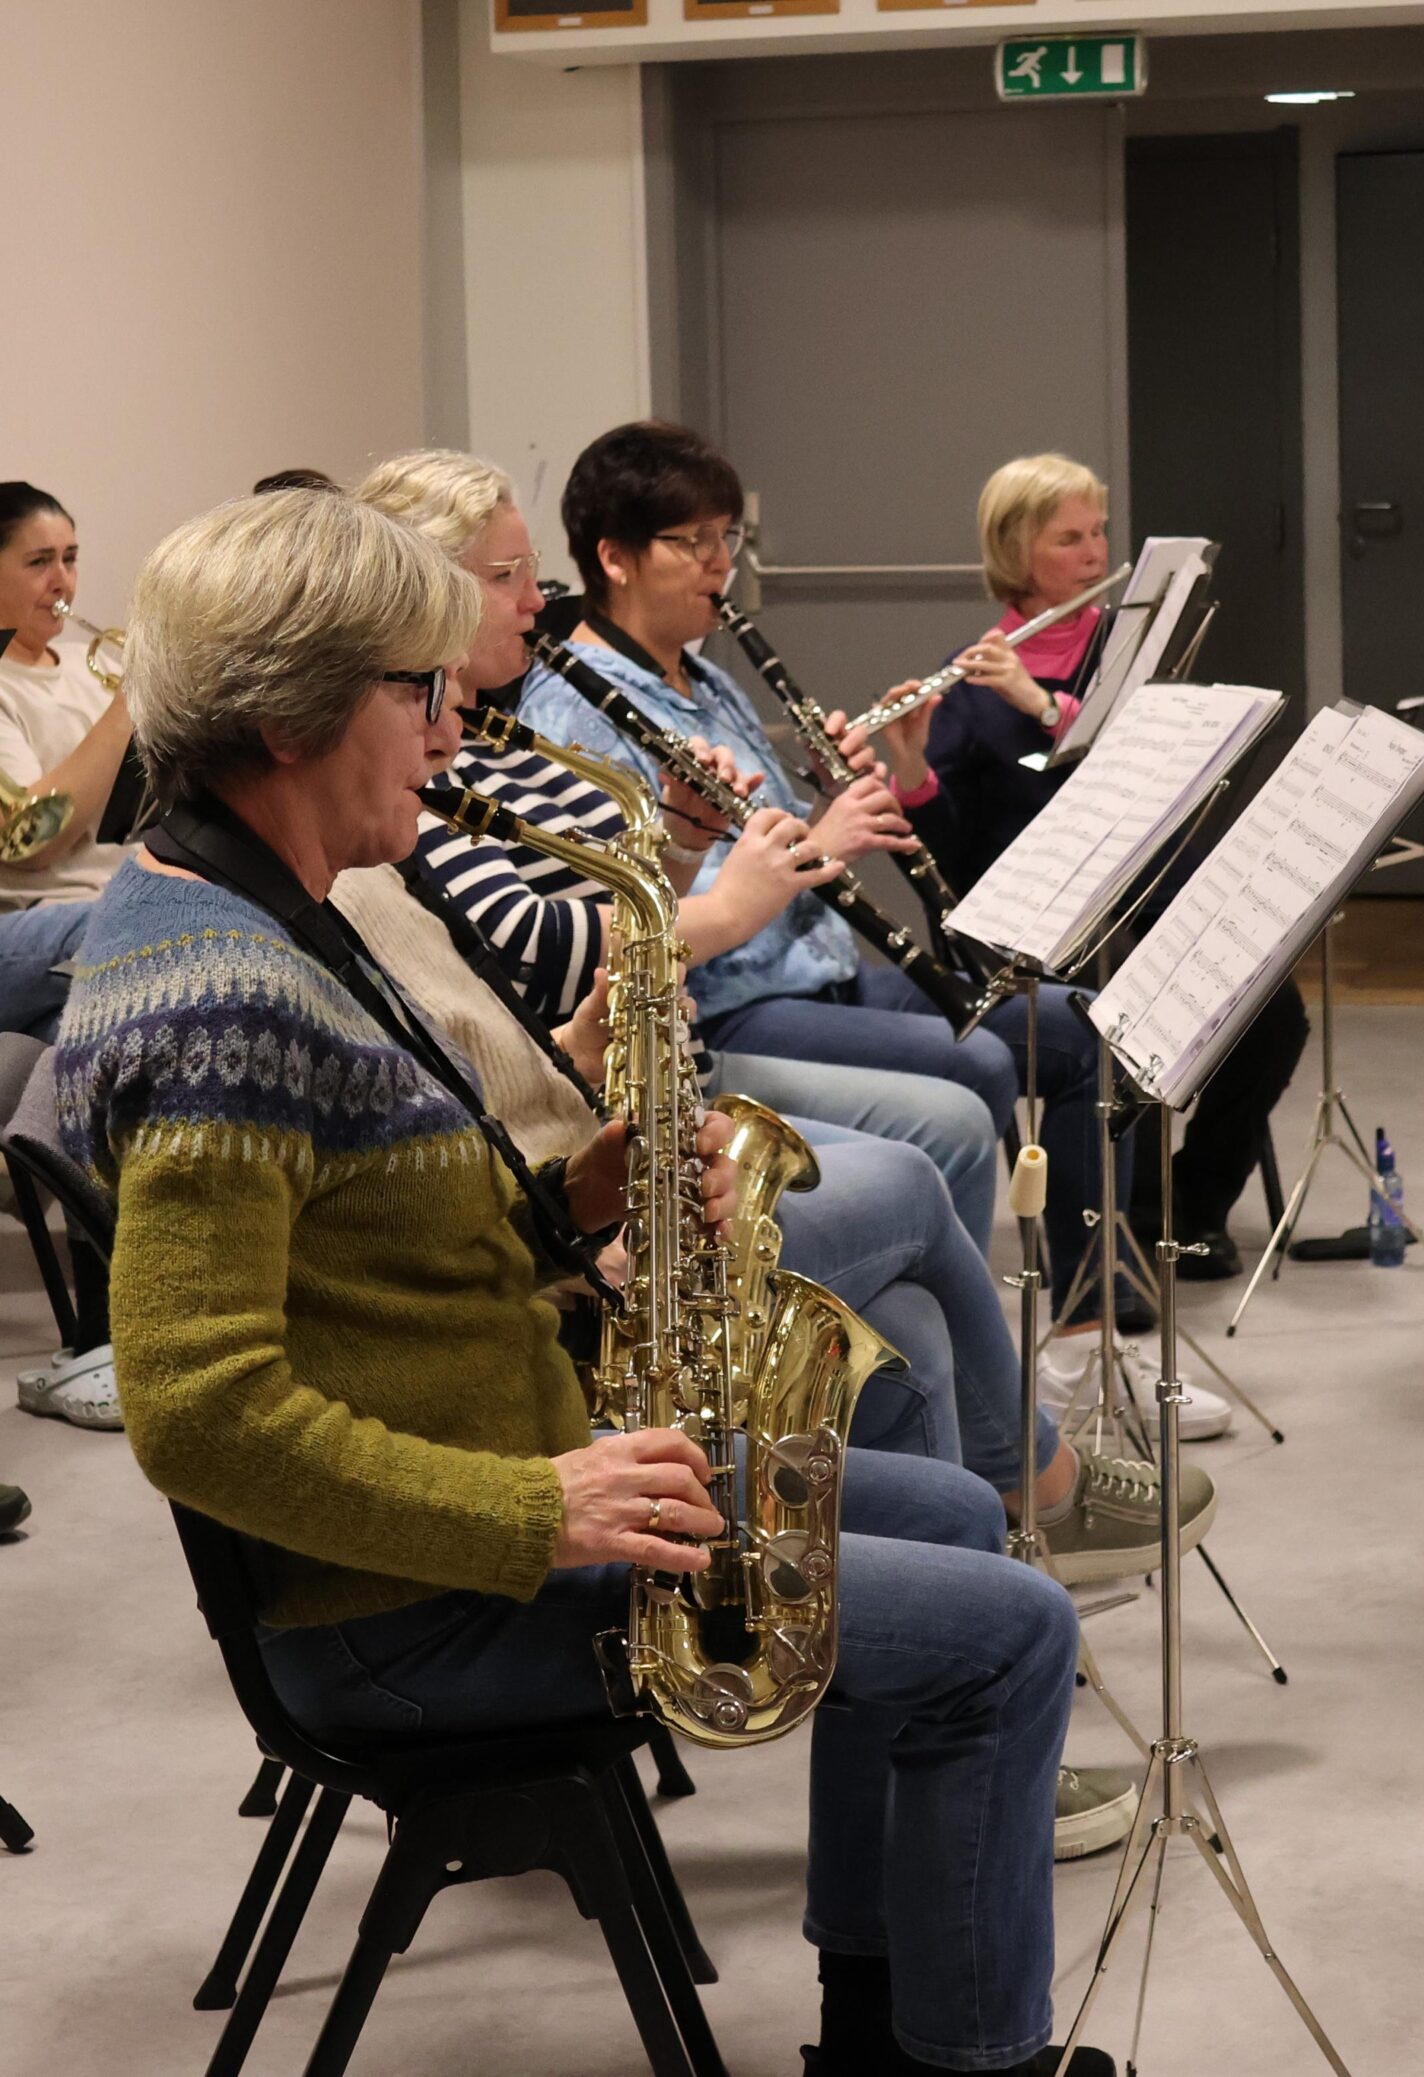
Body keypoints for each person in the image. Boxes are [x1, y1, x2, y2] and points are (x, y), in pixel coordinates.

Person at [65, 487, 1105, 2072]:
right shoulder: (216, 993)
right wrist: (534, 1511)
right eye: (416, 693)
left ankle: (878, 2030)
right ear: (288, 716)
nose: (446, 729)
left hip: (497, 1492)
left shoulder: (284, 910)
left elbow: (368, 1246)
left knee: (960, 1515)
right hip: (421, 1602)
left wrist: (568, 1200)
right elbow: (195, 1409)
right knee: (1013, 1634)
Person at [518, 424, 1170, 1367]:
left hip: (820, 960)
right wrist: (820, 841)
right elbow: (641, 909)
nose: (720, 565)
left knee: (1071, 1028)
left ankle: (1083, 1317)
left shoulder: (699, 671)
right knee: (983, 1066)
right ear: (613, 557)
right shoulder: (577, 711)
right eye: (691, 543)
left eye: (727, 537)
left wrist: (863, 783)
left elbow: (770, 835)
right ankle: (976, 1332)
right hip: (741, 1000)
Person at [874, 453, 1309, 1290]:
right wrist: (913, 769)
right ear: (1016, 551)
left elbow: (1151, 764)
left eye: (1098, 532)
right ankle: (1120, 1233)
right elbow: (958, 864)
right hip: (1044, 921)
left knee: (1273, 1011)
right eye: (1068, 538)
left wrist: (1045, 708)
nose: (1092, 553)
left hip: (1146, 885)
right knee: (1125, 1015)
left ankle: (1189, 1206)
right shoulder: (968, 681)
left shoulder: (1129, 650)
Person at [1, 483, 130, 1431]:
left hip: (86, 925)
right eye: (39, 561)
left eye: (73, 558)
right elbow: (30, 839)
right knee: (126, 940)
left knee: (86, 1039)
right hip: (21, 922)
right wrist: (131, 704)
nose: (64, 581)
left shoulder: (87, 665)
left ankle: (107, 1331)